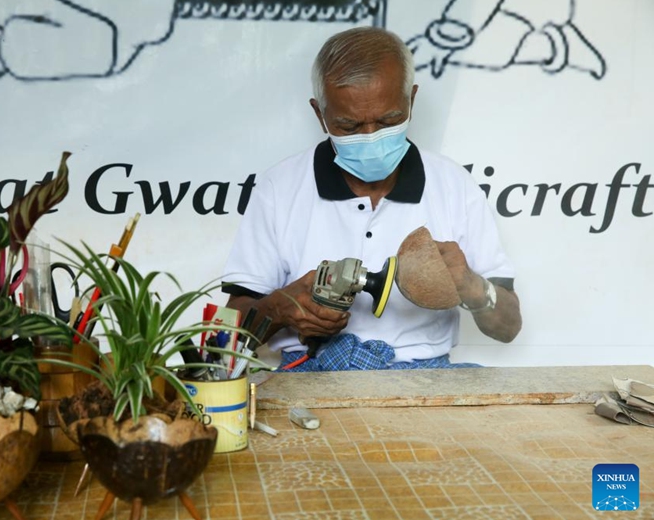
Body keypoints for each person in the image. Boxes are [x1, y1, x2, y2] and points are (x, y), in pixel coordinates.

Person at [221, 26, 522, 371]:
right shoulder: (280, 188)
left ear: (411, 99)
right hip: (309, 370)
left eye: (389, 119)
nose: (371, 137)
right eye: (349, 126)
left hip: (424, 375)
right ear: (320, 114)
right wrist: (279, 308)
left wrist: (472, 286)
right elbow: (224, 335)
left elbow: (508, 327)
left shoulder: (454, 186)